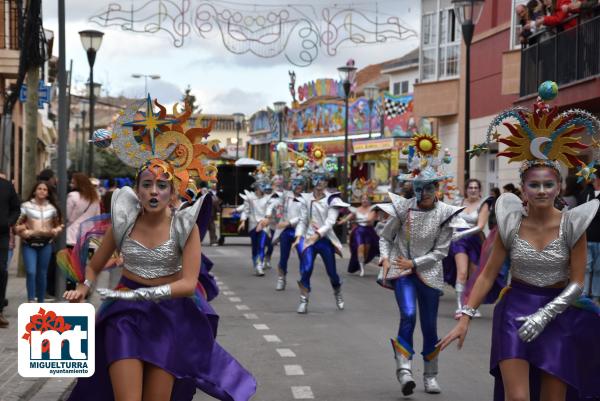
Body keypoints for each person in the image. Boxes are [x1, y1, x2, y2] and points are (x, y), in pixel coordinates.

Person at [63, 96, 256, 401]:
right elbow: (94, 265)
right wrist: (83, 287)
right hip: (124, 315)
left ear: (172, 191)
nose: (154, 191)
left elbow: (188, 283)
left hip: (169, 319)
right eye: (147, 184)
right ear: (137, 189)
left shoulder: (185, 228)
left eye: (162, 185)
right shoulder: (123, 224)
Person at [439, 82, 600, 401]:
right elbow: (487, 274)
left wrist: (545, 314)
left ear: (557, 187)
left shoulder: (573, 225)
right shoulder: (511, 223)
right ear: (523, 189)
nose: (541, 190)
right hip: (514, 311)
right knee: (518, 398)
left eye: (548, 184)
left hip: (558, 314)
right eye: (534, 184)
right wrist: (465, 317)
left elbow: (578, 284)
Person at [377, 132, 463, 396]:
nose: (422, 193)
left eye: (427, 188)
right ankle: (404, 370)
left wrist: (415, 262)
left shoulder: (446, 213)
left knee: (429, 325)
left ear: (436, 188)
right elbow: (385, 236)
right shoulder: (403, 208)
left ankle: (430, 374)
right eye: (417, 188)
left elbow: (441, 251)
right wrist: (384, 256)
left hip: (429, 273)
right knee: (408, 314)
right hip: (402, 270)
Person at [293, 154, 350, 314]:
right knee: (307, 268)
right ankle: (303, 299)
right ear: (312, 180)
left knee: (331, 272)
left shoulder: (332, 200)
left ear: (326, 182)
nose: (319, 183)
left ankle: (337, 290)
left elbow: (330, 222)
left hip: (324, 240)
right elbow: (303, 220)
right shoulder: (305, 199)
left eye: (322, 179)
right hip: (308, 239)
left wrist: (317, 235)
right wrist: (298, 237)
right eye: (316, 179)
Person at [443, 179, 492, 318]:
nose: (473, 190)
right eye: (470, 187)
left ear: (479, 190)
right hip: (460, 242)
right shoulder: (458, 203)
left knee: (474, 276)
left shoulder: (483, 204)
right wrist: (453, 234)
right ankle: (459, 307)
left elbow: (480, 226)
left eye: (476, 187)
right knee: (462, 273)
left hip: (475, 241)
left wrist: (461, 233)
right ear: (466, 189)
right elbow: (451, 221)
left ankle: (471, 306)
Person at [15, 181, 64, 302]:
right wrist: (25, 232)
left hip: (45, 244)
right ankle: (31, 299)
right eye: (39, 188)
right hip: (29, 244)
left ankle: (41, 301)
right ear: (34, 191)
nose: (42, 191)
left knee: (42, 274)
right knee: (31, 272)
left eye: (45, 189)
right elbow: (17, 225)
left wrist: (55, 231)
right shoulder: (26, 206)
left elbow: (60, 225)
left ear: (48, 193)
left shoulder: (52, 208)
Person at [238, 169, 278, 276]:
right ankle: (256, 263)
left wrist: (267, 218)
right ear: (257, 187)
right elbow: (246, 211)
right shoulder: (250, 198)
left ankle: (260, 266)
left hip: (263, 225)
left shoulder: (268, 198)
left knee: (261, 245)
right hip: (252, 225)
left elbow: (270, 209)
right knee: (255, 247)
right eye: (262, 185)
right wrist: (242, 221)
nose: (264, 188)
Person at [271, 173, 305, 291]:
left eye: (300, 183)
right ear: (291, 184)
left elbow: (303, 217)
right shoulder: (286, 196)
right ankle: (281, 278)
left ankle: (304, 279)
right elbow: (274, 204)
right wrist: (269, 214)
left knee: (303, 256)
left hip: (300, 232)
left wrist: (288, 222)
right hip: (286, 231)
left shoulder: (306, 198)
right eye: (295, 183)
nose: (298, 186)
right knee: (283, 257)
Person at [338, 194, 379, 277]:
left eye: (366, 199)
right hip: (359, 231)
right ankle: (362, 269)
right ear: (361, 200)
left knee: (367, 250)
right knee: (360, 247)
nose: (364, 200)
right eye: (363, 199)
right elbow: (347, 218)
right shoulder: (356, 210)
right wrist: (341, 222)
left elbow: (370, 220)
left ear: (369, 201)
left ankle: (362, 263)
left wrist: (359, 220)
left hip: (369, 231)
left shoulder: (372, 210)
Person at [0, 174, 20, 328]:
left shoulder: (6, 186)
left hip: (1, 235)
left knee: (1, 270)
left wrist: (8, 222)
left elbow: (16, 209)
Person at [578, 173, 600, 302]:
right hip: (587, 237)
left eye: (595, 177)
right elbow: (581, 211)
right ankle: (584, 293)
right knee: (587, 267)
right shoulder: (586, 193)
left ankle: (596, 294)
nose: (593, 179)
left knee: (598, 269)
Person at [66, 173, 101, 248]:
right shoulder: (95, 198)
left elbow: (67, 216)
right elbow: (97, 218)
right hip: (88, 235)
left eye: (73, 183)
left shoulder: (72, 196)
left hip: (72, 235)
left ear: (79, 184)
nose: (71, 185)